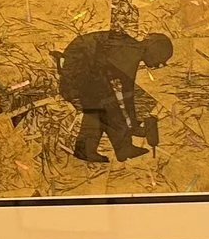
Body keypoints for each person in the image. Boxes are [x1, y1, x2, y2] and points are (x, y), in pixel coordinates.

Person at [61, 26, 172, 162]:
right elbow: (127, 95)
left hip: (85, 66)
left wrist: (132, 124)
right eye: (162, 59)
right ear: (155, 52)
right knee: (103, 106)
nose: (160, 64)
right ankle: (96, 149)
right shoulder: (131, 54)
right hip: (79, 68)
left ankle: (119, 148)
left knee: (104, 105)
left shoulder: (131, 48)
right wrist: (133, 125)